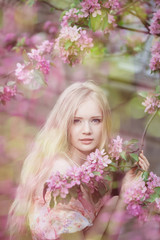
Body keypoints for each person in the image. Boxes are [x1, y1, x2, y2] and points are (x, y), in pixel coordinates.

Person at [7, 81, 150, 240]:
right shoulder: (62, 172)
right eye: (77, 121)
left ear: (105, 124)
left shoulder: (94, 175)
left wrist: (125, 196)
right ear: (65, 124)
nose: (87, 130)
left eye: (95, 120)